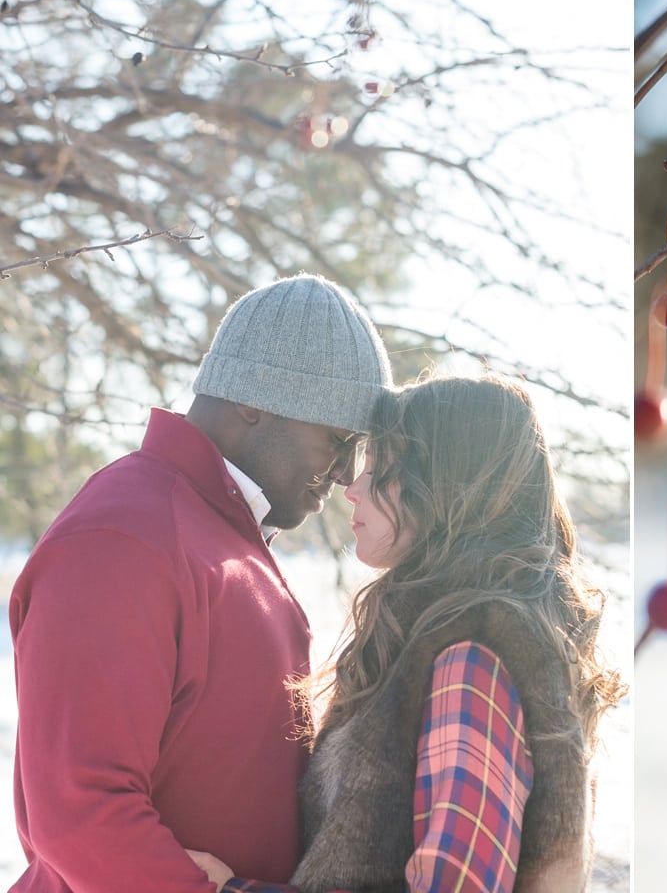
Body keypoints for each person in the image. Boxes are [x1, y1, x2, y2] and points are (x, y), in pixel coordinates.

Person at [10, 274, 392, 892]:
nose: (347, 473)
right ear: (253, 402)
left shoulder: (219, 532)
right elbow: (81, 814)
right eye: (338, 440)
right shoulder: (125, 537)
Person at [187, 374, 625, 893]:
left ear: (443, 484)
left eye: (377, 468)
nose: (350, 488)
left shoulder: (474, 658)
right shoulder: (446, 640)